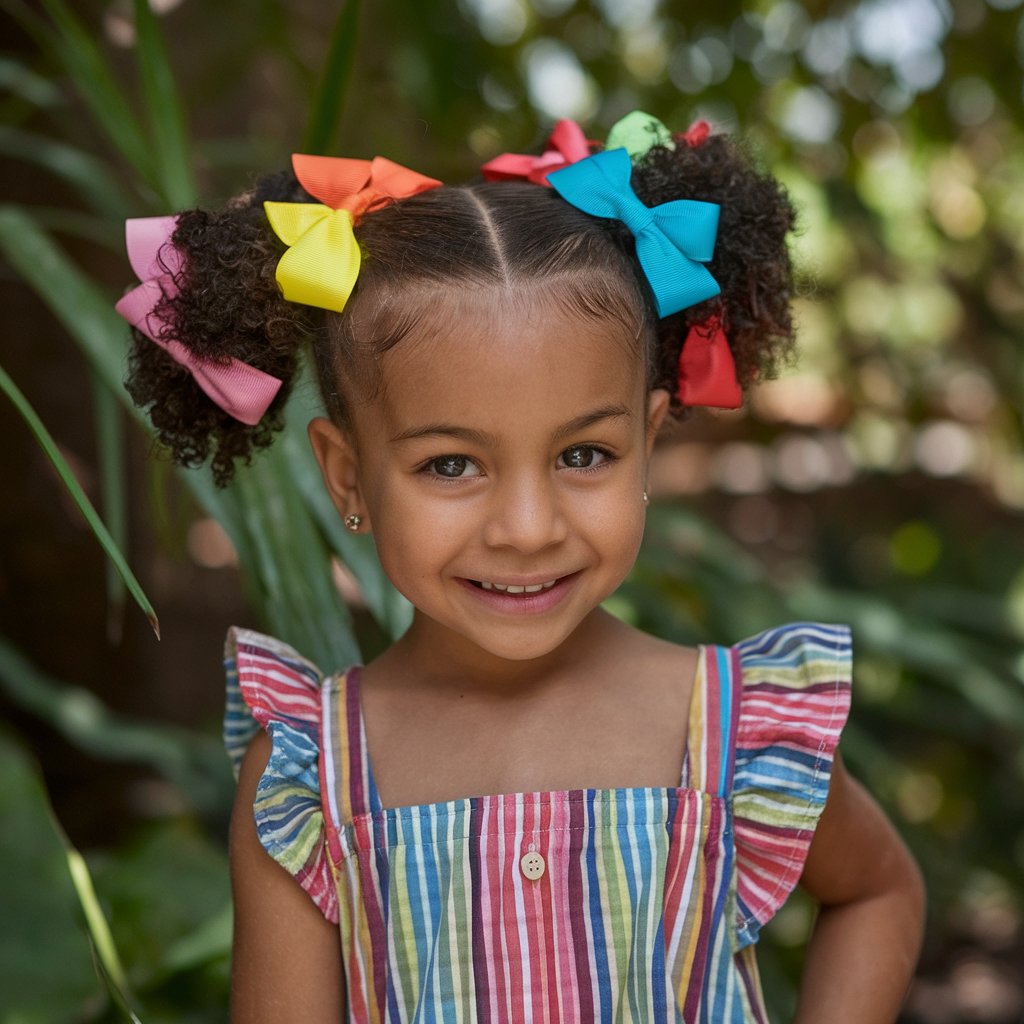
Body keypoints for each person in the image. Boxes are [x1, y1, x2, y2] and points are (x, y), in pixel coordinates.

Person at [116, 111, 925, 1023]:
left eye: (584, 456)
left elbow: (876, 891)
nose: (529, 528)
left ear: (649, 443)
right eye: (450, 465)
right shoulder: (310, 777)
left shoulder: (739, 731)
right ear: (349, 474)